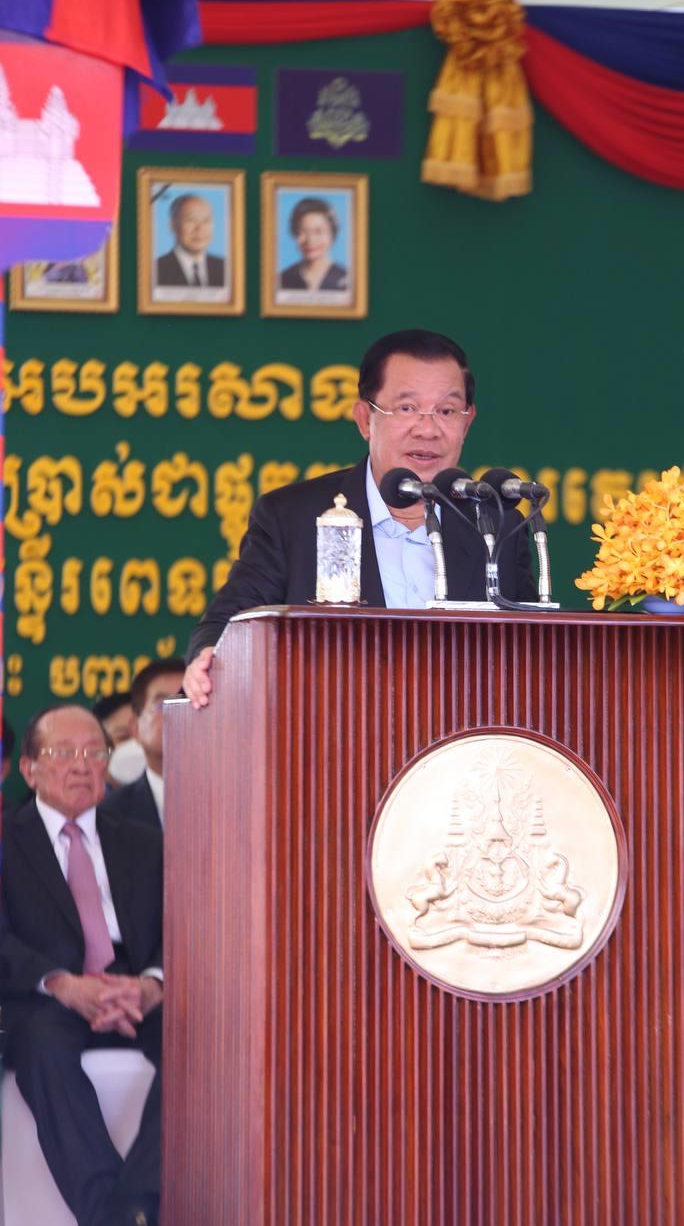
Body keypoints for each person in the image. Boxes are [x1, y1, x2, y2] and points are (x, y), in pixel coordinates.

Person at [184, 328, 535, 708]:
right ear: (365, 419)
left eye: (447, 411)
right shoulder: (292, 519)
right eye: (407, 408)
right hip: (333, 733)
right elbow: (227, 626)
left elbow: (534, 655)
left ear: (467, 422)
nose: (428, 429)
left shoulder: (495, 526)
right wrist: (208, 658)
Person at [0, 704, 164, 1226]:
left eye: (94, 753)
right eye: (63, 753)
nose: (81, 765)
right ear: (29, 770)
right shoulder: (7, 839)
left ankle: (135, 1204)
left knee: (203, 1042)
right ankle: (109, 1215)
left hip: (134, 986)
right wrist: (62, 984)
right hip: (49, 996)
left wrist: (152, 984)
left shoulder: (144, 839)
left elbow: (182, 929)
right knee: (41, 1047)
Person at [103, 660, 186, 830]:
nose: (177, 713)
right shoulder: (108, 814)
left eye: (187, 702)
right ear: (135, 728)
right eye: (162, 704)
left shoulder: (232, 801)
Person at [279, 197, 348, 292]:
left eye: (318, 231)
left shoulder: (348, 279)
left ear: (332, 234)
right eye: (302, 231)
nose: (310, 240)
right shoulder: (282, 280)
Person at [155, 193, 225, 287]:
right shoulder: (156, 270)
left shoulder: (226, 268)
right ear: (172, 225)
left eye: (206, 221)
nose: (199, 228)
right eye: (190, 220)